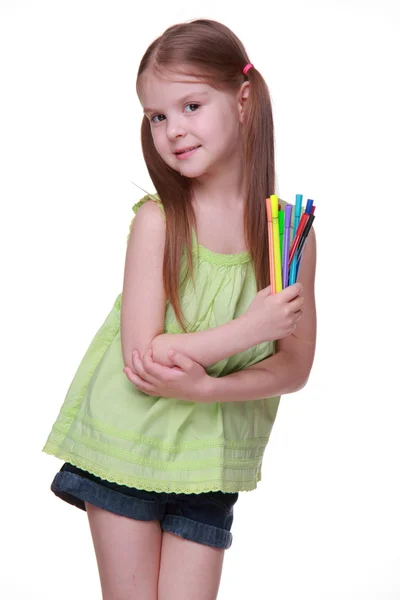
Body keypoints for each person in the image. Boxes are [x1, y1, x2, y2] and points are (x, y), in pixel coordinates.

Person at [42, 17, 317, 600]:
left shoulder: (288, 234)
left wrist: (208, 389)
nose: (172, 130)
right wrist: (251, 328)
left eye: (191, 106)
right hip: (128, 445)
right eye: (157, 116)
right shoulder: (158, 221)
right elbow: (146, 355)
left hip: (209, 463)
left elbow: (294, 368)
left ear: (243, 102)